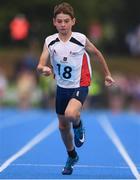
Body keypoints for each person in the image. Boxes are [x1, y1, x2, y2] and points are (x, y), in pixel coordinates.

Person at [37, 2, 115, 175]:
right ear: (54, 22)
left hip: (80, 84)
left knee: (71, 114)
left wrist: (107, 74)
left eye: (66, 21)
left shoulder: (80, 39)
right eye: (60, 21)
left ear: (73, 21)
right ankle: (72, 156)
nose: (63, 25)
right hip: (61, 88)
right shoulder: (50, 41)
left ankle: (79, 126)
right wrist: (44, 69)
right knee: (63, 127)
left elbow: (97, 53)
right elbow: (41, 64)